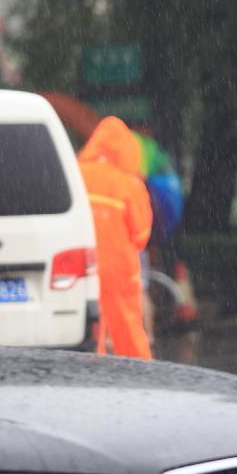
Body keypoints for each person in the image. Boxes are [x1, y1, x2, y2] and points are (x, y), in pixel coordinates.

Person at [78, 116, 153, 360]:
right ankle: (140, 381)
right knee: (129, 329)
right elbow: (141, 235)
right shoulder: (129, 184)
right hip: (120, 270)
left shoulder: (76, 175)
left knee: (89, 330)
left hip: (82, 266)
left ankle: (92, 381)